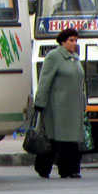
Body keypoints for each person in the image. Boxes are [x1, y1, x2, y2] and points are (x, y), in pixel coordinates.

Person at [33, 27, 86, 179]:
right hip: (58, 108)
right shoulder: (54, 57)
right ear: (62, 42)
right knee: (55, 140)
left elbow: (80, 83)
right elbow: (45, 81)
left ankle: (71, 169)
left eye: (76, 40)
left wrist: (83, 104)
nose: (74, 43)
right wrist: (40, 102)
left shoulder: (74, 58)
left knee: (72, 140)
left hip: (74, 108)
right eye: (71, 40)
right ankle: (44, 168)